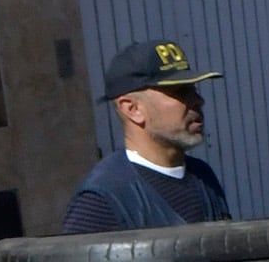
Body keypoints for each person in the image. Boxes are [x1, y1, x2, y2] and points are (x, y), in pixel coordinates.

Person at [62, 39, 229, 233]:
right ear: (133, 109)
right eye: (180, 91)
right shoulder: (101, 202)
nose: (198, 100)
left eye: (193, 89)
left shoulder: (203, 176)